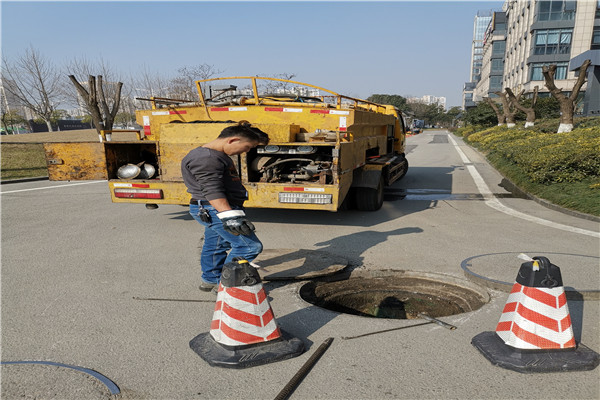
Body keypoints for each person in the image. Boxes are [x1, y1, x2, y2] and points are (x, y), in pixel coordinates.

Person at [181, 121, 269, 292]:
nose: (246, 151)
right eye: (247, 146)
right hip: (215, 209)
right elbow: (212, 190)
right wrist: (229, 217)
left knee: (216, 245)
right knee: (250, 246)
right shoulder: (207, 158)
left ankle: (210, 280)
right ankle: (226, 285)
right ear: (232, 140)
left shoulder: (213, 155)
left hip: (214, 209)